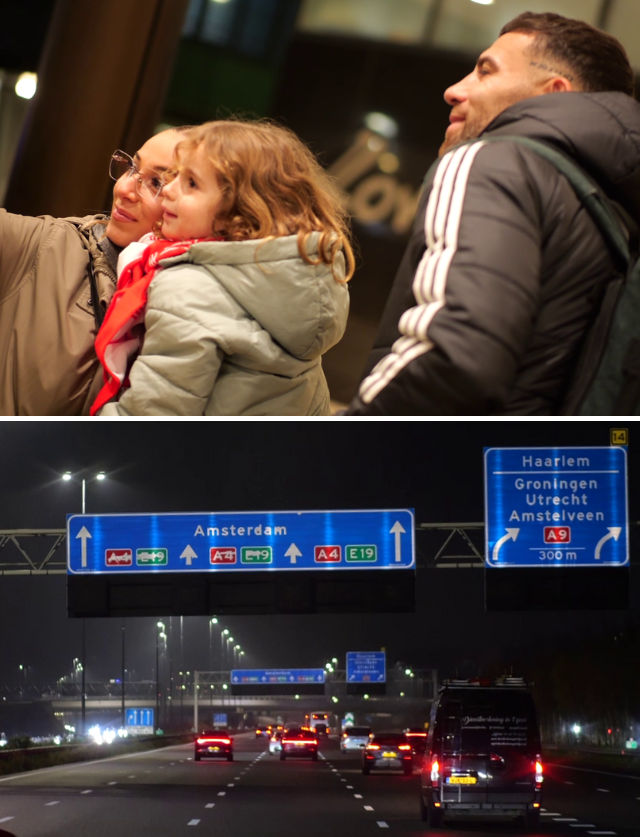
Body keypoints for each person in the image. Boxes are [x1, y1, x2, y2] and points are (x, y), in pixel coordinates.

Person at [346, 12, 640, 415]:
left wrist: (347, 436)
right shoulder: (610, 213)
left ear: (554, 94)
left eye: (485, 72)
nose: (453, 90)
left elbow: (454, 355)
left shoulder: (490, 161)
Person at [91, 119, 353, 416]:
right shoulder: (294, 283)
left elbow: (149, 419)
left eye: (191, 183)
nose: (168, 191)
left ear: (239, 211)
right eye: (174, 176)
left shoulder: (190, 288)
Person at [0, 127, 185, 416]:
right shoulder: (45, 245)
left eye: (155, 182)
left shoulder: (198, 304)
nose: (124, 189)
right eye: (131, 168)